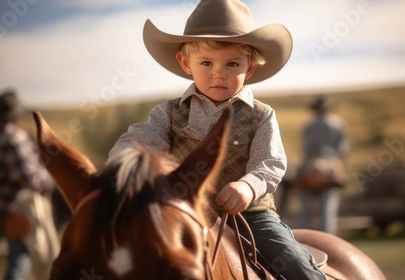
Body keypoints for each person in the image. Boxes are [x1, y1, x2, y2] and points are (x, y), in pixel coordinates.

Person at [109, 1, 325, 279]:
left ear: (249, 69)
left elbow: (269, 163)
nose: (218, 73)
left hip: (251, 216)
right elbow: (136, 144)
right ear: (186, 63)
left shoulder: (261, 115)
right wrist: (129, 165)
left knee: (295, 266)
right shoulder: (169, 113)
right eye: (206, 62)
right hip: (183, 213)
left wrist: (247, 188)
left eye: (232, 63)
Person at [0, 90, 57, 280]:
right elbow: (29, 178)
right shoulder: (15, 138)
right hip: (12, 210)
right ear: (16, 116)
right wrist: (51, 181)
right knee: (18, 262)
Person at [298, 95, 349, 235]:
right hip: (331, 165)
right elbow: (343, 149)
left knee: (305, 204)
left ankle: (304, 235)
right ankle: (328, 236)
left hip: (310, 164)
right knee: (328, 204)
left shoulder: (309, 125)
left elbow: (304, 148)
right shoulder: (337, 124)